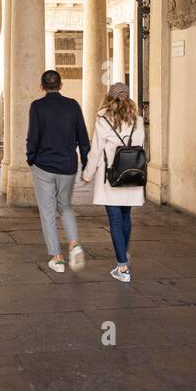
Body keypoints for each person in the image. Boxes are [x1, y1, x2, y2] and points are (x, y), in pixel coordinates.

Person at [26, 69, 90, 273]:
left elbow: (33, 136)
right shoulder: (73, 106)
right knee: (66, 206)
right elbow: (83, 137)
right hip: (68, 166)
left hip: (44, 165)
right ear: (61, 85)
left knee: (47, 212)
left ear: (42, 86)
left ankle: (57, 258)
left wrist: (31, 158)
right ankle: (73, 243)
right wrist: (86, 163)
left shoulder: (37, 106)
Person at [82, 82, 146, 283]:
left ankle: (123, 268)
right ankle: (124, 255)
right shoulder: (138, 120)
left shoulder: (104, 121)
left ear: (109, 98)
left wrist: (88, 174)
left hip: (111, 176)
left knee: (116, 221)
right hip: (132, 174)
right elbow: (140, 146)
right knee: (126, 217)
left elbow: (96, 151)